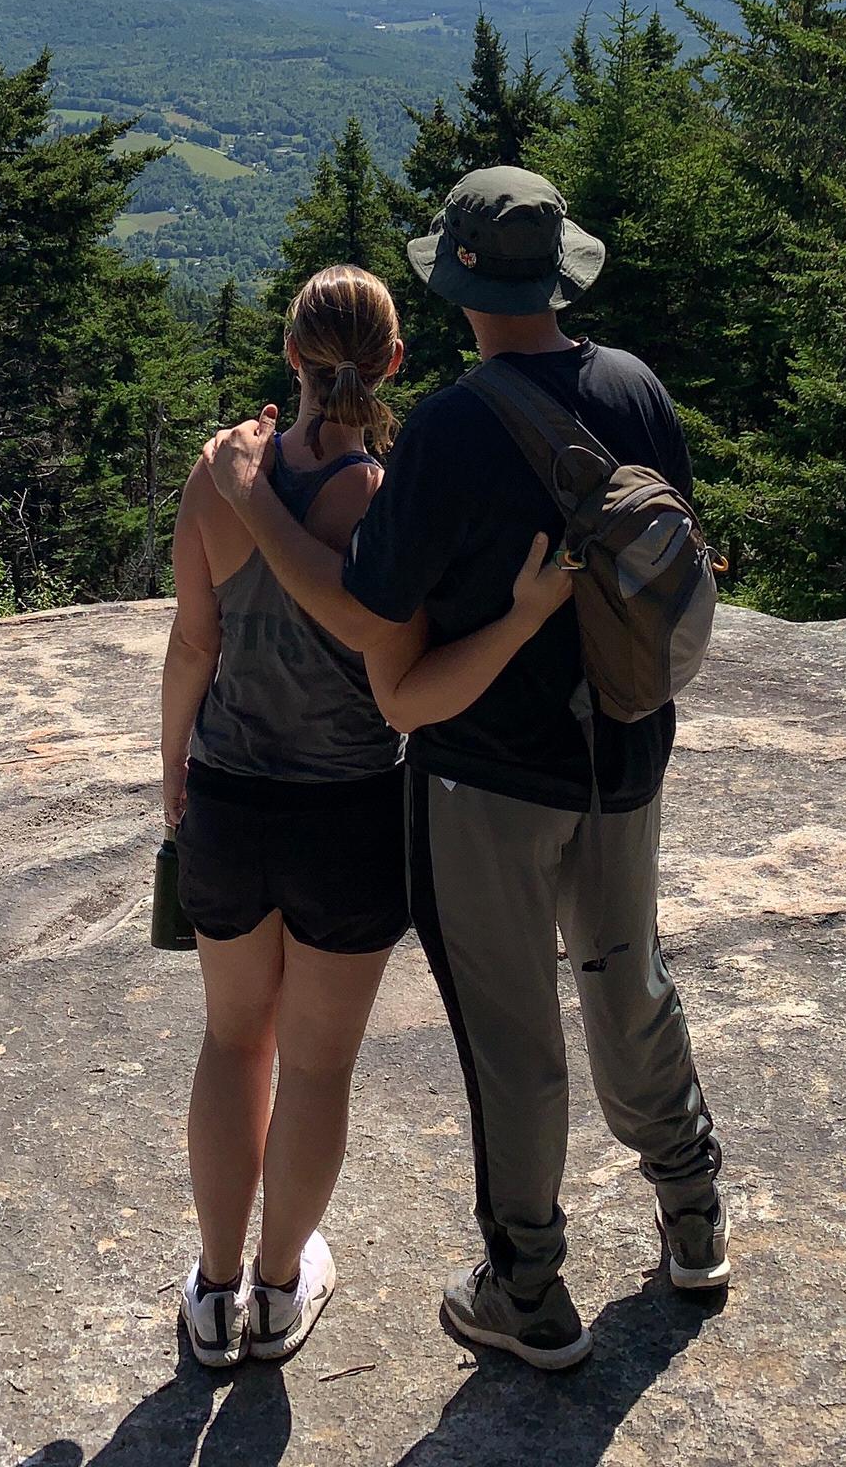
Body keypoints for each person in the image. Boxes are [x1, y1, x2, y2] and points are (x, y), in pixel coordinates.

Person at [204, 168, 727, 1373]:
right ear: (558, 274)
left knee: (512, 1035)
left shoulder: (449, 426)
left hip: (486, 776)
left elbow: (360, 602)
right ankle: (692, 1209)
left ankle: (528, 1284)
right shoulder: (635, 388)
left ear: (455, 285)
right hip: (627, 747)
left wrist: (252, 501)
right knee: (628, 974)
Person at [160, 261, 571, 1368]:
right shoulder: (387, 501)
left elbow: (194, 641)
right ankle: (282, 1288)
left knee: (230, 1035)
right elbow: (400, 668)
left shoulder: (218, 474)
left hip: (231, 801)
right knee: (320, 1062)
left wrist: (174, 777)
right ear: (394, 362)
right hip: (351, 811)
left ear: (290, 354)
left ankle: (210, 1290)